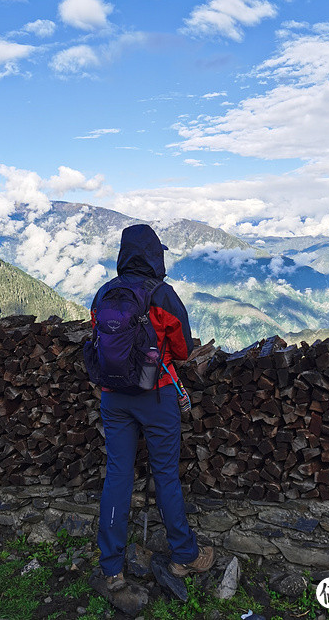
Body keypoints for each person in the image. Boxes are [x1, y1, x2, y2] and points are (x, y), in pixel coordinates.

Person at [91, 223, 215, 591]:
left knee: (117, 476)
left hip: (113, 397)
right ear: (154, 255)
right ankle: (184, 556)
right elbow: (181, 350)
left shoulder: (104, 293)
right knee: (165, 476)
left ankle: (112, 567)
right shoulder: (163, 295)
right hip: (156, 395)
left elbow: (96, 340)